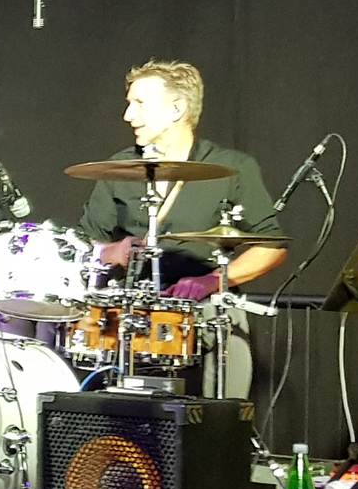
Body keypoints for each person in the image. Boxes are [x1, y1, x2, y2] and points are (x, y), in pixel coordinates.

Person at [76, 59, 284, 396]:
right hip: (132, 309)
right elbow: (85, 245)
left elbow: (271, 246)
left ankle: (221, 418)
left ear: (177, 109)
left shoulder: (232, 167)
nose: (128, 115)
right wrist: (113, 251)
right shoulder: (119, 168)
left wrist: (212, 281)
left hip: (206, 307)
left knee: (227, 325)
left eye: (139, 103)